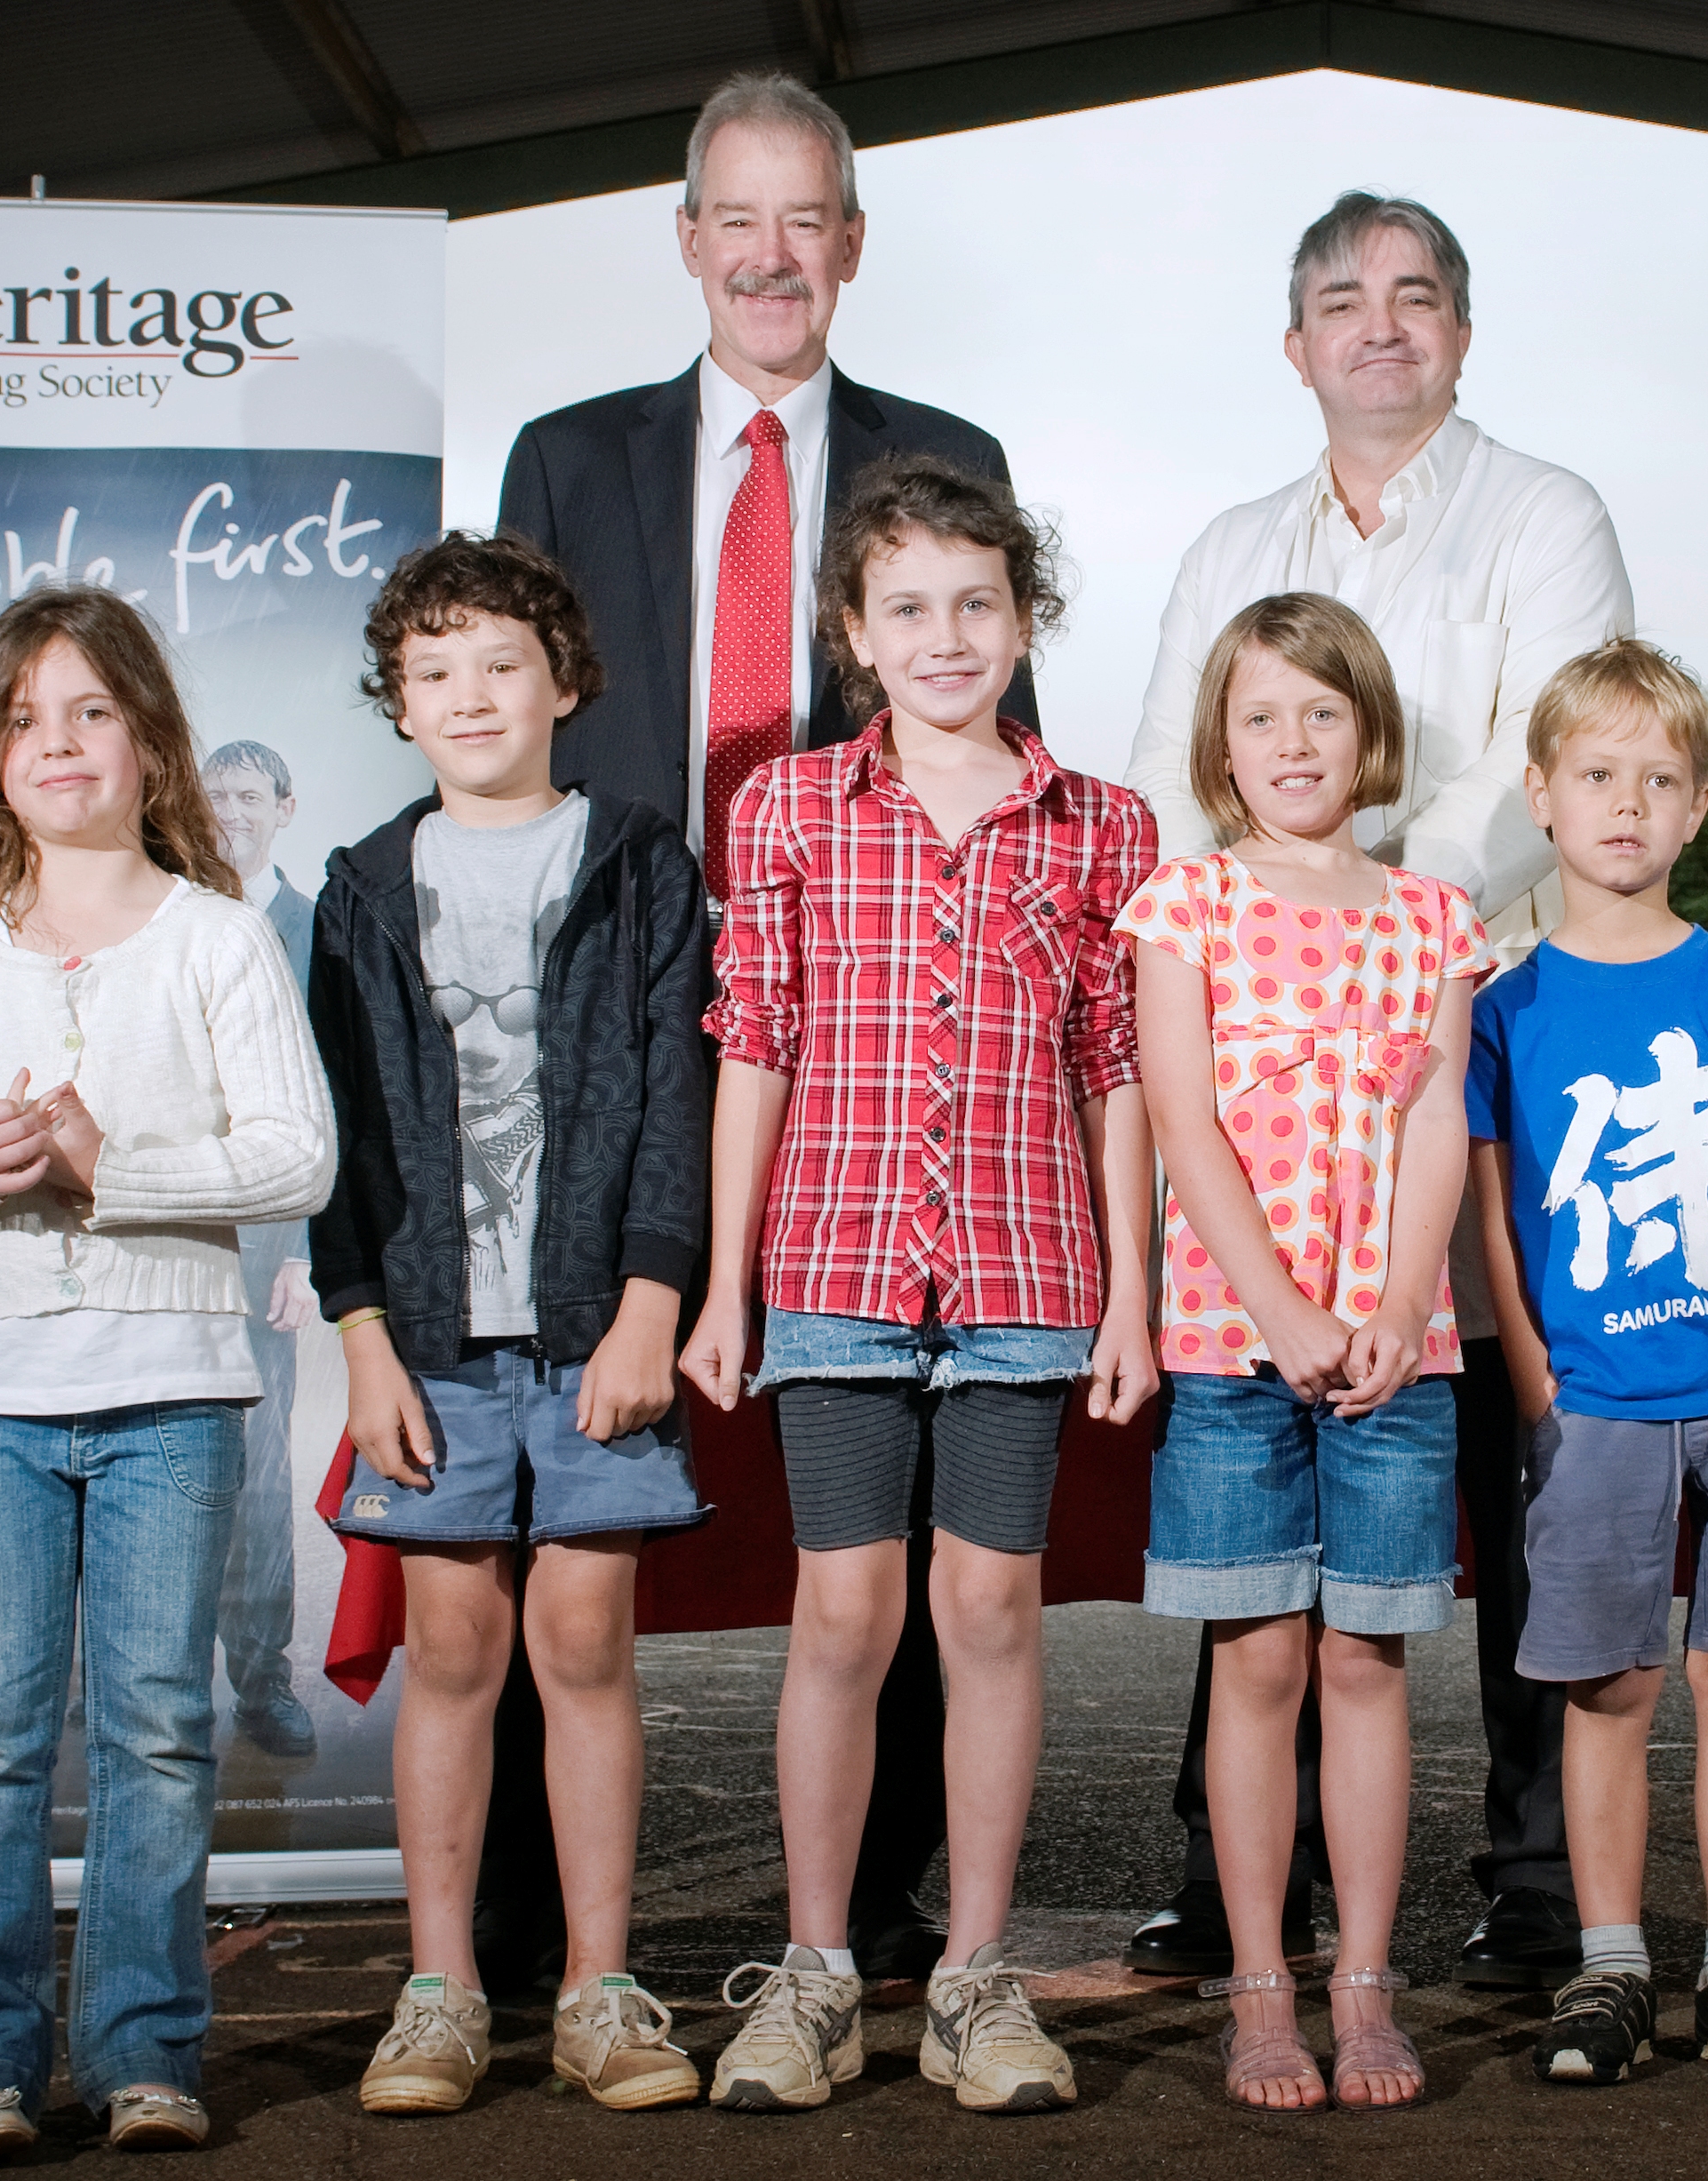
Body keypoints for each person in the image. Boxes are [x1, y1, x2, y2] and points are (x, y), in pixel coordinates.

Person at [496, 65, 1027, 1980]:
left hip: (879, 1034)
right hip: (632, 1023)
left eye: (809, 219)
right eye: (741, 216)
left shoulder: (941, 445)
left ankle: (877, 1920)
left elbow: (991, 741)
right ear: (690, 238)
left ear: (852, 246)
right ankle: (540, 1929)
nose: (773, 254)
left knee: (878, 1480)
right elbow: (519, 735)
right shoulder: (568, 458)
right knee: (560, 1455)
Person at [1120, 188, 1633, 1986]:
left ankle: (1533, 1881)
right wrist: (1273, 894)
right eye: (1343, 300)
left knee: (1484, 1463)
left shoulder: (1544, 512)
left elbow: (1543, 766)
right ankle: (1222, 1889)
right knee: (1258, 1528)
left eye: (1417, 296)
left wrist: (1364, 893)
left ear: (1463, 329)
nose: (1381, 325)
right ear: (1298, 344)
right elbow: (1170, 789)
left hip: (1483, 1002)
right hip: (1265, 1031)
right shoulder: (1233, 541)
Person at [682, 456, 1155, 2115]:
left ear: (1022, 620)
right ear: (853, 632)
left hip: (1030, 1272)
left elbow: (1118, 1066)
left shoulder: (1102, 822)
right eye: (908, 608)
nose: (945, 635)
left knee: (986, 1609)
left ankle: (972, 1970)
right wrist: (728, 1281)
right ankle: (815, 1969)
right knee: (843, 1609)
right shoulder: (790, 807)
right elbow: (756, 1042)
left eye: (976, 603)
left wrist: (1130, 1293)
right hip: (830, 1263)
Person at [0, 587, 336, 2161]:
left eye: (91, 711)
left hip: (174, 1392)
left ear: (148, 741)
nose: (58, 742)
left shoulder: (217, 933)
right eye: (25, 716)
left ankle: (144, 2048)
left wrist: (104, 1161)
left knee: (155, 1728)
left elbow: (297, 1152)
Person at [315, 534, 712, 2115]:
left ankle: (601, 1983)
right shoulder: (359, 883)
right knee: (457, 1643)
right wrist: (359, 1332)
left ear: (563, 680)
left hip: (595, 1324)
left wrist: (650, 1301)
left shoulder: (635, 857)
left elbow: (676, 1092)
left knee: (583, 1640)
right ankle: (439, 1986)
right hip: (422, 1333)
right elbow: (329, 1126)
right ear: (398, 703)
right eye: (432, 670)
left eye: (499, 661)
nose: (469, 693)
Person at [1467, 638, 1708, 2087]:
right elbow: (1493, 1209)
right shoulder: (1504, 1008)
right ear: (1542, 794)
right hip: (1598, 1402)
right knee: (1606, 1688)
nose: (1624, 802)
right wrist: (1532, 1378)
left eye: (1656, 777)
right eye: (1594, 774)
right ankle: (1610, 1966)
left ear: (1695, 805)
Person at [1121, 593, 1483, 2111]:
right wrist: (1278, 1308)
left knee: (1364, 1658)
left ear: (1367, 735)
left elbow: (1433, 1123)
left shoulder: (1432, 917)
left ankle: (1363, 1978)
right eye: (1261, 713)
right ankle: (1260, 1984)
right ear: (1219, 736)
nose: (1291, 740)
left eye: (1321, 712)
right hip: (1228, 1340)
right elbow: (1181, 1117)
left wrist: (1400, 1304)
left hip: (1397, 1354)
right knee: (1256, 1656)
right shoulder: (1181, 902)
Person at [200, 739, 317, 1758]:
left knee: (260, 1468)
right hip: (170, 1231)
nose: (230, 810)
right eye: (215, 795)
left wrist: (305, 1252)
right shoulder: (171, 915)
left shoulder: (314, 926)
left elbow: (336, 1100)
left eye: (248, 795)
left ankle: (263, 1675)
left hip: (266, 1242)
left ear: (284, 807)